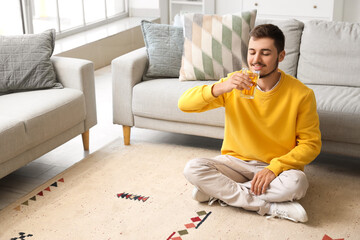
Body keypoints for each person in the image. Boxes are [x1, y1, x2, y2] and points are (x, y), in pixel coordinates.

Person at [178, 24, 321, 223]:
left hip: (276, 168)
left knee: (297, 183)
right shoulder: (234, 83)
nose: (256, 60)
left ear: (280, 56)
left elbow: (311, 145)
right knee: (192, 168)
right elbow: (184, 104)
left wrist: (275, 168)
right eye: (252, 52)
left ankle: (220, 192)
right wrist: (222, 86)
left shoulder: (302, 94)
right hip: (235, 163)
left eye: (265, 53)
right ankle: (268, 206)